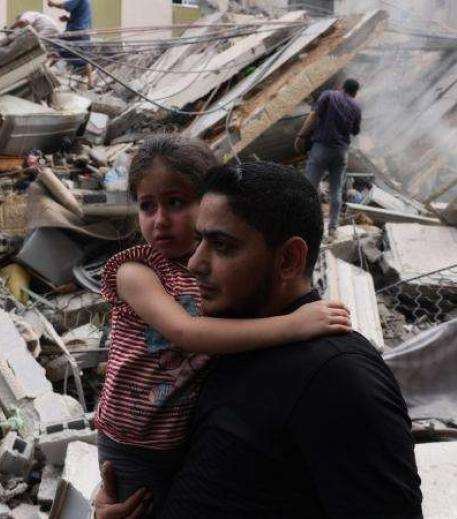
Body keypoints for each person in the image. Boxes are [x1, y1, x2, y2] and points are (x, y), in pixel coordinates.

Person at [95, 162, 423, 519]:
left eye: (221, 245)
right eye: (199, 239)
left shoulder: (337, 375)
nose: (194, 263)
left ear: (288, 259)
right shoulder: (223, 345)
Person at [296, 78, 362, 238]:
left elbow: (313, 116)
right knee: (336, 190)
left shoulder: (329, 95)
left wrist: (301, 135)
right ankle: (332, 228)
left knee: (309, 187)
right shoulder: (356, 107)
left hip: (322, 148)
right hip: (341, 152)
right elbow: (355, 132)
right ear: (355, 92)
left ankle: (304, 225)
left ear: (342, 87)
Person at [47, 0, 92, 73]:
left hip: (75, 30)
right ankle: (90, 81)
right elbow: (81, 16)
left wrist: (53, 4)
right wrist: (68, 19)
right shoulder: (87, 1)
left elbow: (65, 6)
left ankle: (46, 69)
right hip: (84, 32)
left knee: (56, 47)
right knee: (85, 58)